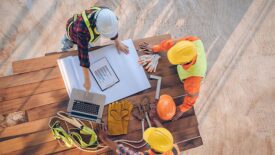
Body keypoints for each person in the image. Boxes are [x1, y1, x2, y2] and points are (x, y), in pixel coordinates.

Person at [61, 6, 129, 93]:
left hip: (86, 34)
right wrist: (87, 80)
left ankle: (86, 42)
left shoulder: (107, 14)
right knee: (69, 41)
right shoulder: (81, 30)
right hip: (73, 31)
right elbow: (83, 56)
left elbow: (112, 28)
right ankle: (66, 44)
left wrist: (117, 42)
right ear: (96, 26)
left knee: (87, 43)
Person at [139, 36, 207, 121]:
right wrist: (155, 48)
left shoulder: (193, 81)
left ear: (183, 63)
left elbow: (192, 97)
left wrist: (182, 109)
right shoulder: (192, 41)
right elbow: (170, 43)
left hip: (191, 77)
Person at [96, 108, 180, 155]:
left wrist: (104, 139)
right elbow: (163, 135)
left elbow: (122, 151)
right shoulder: (172, 148)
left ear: (151, 145)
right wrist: (154, 119)